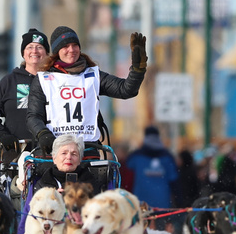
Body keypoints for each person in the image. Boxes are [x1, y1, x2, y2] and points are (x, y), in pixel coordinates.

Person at [26, 26, 147, 155]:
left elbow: (126, 90)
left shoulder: (92, 75)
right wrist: (43, 134)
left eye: (75, 45)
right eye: (65, 46)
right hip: (55, 150)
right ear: (57, 51)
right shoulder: (44, 79)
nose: (71, 50)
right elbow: (33, 116)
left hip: (87, 149)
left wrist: (137, 69)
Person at [0, 28, 50, 155]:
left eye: (39, 47)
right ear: (23, 53)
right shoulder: (7, 83)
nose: (34, 51)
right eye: (30, 47)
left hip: (51, 153)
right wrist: (3, 136)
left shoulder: (56, 80)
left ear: (47, 53)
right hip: (17, 154)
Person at [124, 126, 179, 233]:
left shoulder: (136, 156)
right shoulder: (167, 157)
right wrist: (178, 201)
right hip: (162, 203)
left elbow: (127, 173)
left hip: (141, 203)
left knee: (141, 233)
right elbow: (174, 180)